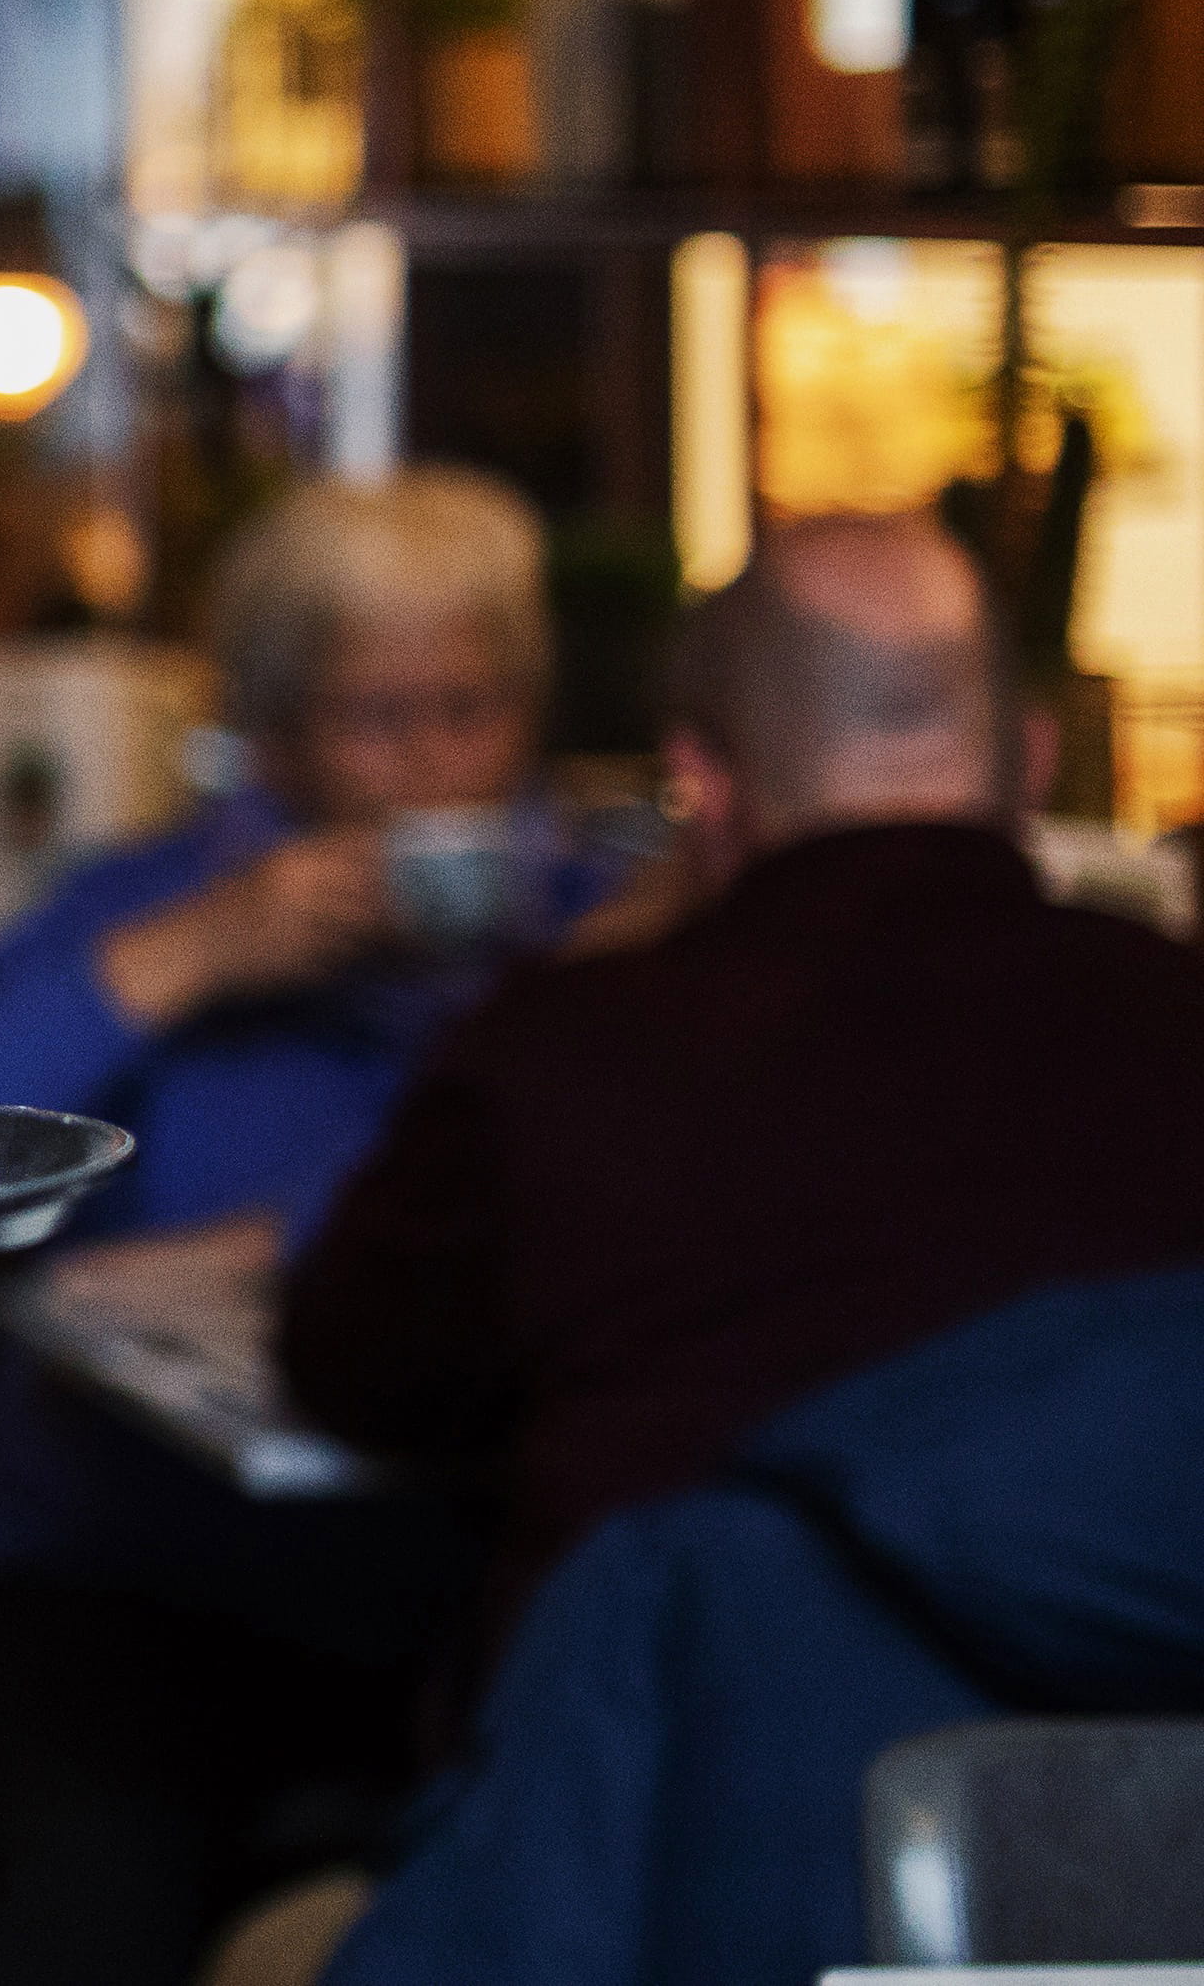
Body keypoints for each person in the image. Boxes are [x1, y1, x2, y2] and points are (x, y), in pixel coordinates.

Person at [0, 469, 608, 1986]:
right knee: (99, 1893)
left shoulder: (599, 936)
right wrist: (200, 954)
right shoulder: (151, 907)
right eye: (374, 716)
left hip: (477, 1576)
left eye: (471, 708)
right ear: (268, 735)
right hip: (125, 1569)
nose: (431, 768)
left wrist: (292, 1243)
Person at [281, 511, 1204, 1619]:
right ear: (1036, 755)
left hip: (692, 1769)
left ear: (700, 782)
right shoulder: (1173, 1017)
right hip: (1125, 1781)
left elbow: (349, 1377)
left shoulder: (565, 1057)